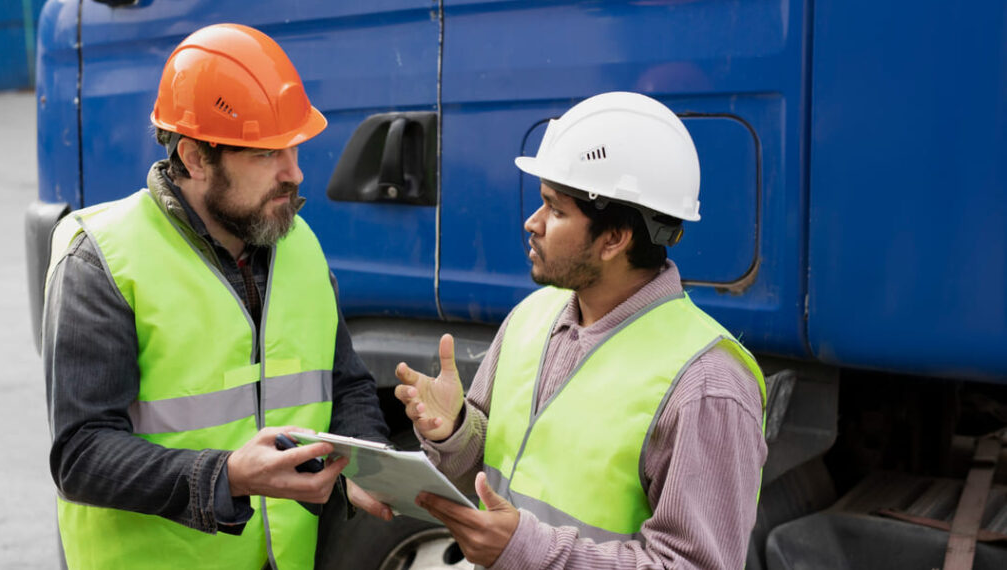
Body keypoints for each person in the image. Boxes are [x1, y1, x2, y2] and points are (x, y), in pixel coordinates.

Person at [42, 23, 392, 570]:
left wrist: (369, 465)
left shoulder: (298, 244)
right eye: (265, 155)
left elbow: (344, 383)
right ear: (197, 158)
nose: (294, 173)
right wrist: (227, 477)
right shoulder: (101, 260)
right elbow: (82, 454)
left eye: (294, 148)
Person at [395, 92, 767, 569]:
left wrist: (526, 551)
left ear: (614, 238)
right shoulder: (533, 316)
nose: (532, 223)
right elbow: (494, 482)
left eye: (555, 209)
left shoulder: (707, 385)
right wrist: (455, 432)